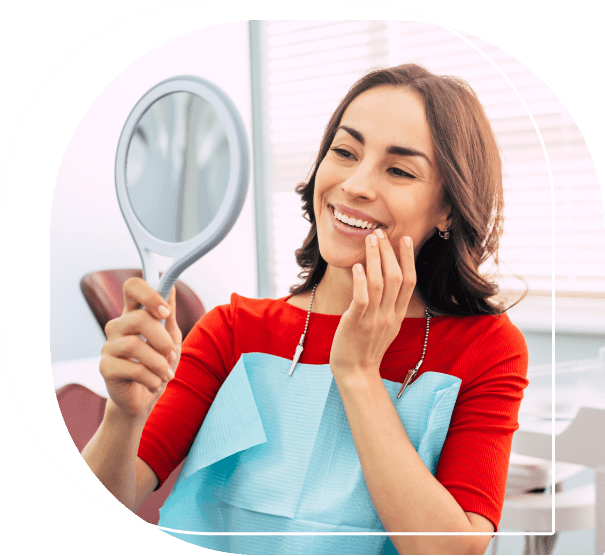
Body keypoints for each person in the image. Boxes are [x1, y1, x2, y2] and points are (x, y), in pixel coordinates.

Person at [82, 64, 529, 555]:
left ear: (447, 208)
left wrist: (357, 371)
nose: (356, 184)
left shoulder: (487, 349)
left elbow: (448, 550)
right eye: (344, 152)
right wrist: (122, 418)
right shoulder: (232, 331)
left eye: (399, 169)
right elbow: (100, 507)